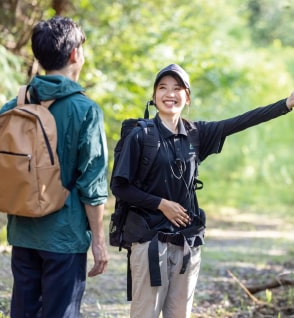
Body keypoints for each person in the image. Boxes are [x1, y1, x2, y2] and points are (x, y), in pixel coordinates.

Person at [110, 63, 294, 318]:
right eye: (162, 88)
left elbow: (241, 121)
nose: (169, 94)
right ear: (154, 96)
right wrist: (161, 204)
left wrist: (285, 104)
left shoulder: (197, 134)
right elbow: (119, 187)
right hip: (149, 242)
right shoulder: (140, 136)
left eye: (177, 88)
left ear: (187, 98)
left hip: (186, 243)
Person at [0, 16, 109, 317]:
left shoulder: (13, 106)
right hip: (65, 236)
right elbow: (93, 185)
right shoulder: (85, 110)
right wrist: (98, 241)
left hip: (23, 231)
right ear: (75, 55)